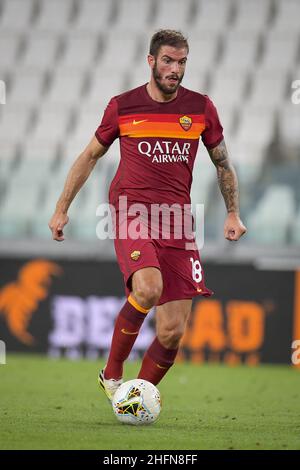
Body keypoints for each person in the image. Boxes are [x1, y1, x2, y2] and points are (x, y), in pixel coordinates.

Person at [49, 29, 247, 401]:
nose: (176, 69)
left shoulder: (201, 108)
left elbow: (223, 163)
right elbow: (90, 156)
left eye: (183, 62)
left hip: (178, 220)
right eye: (169, 61)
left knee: (172, 330)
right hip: (131, 209)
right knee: (149, 288)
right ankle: (111, 374)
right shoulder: (123, 106)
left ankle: (135, 399)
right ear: (151, 61)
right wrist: (62, 208)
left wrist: (233, 213)